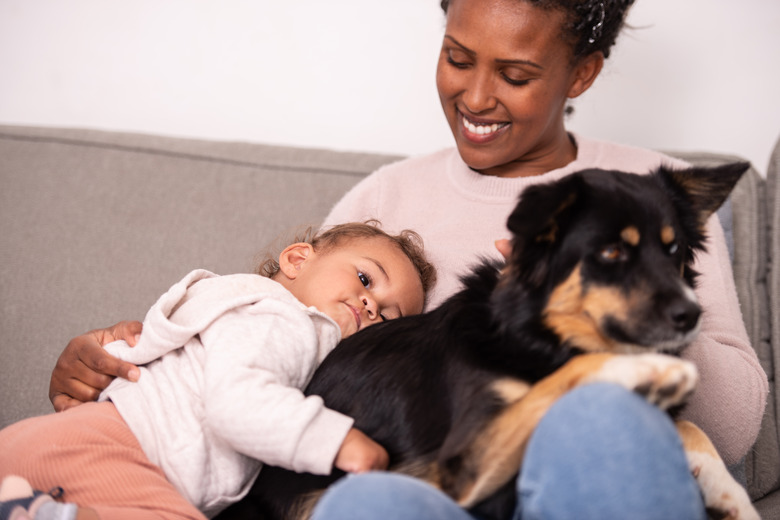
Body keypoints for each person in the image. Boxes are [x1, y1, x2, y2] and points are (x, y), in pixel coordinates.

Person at [46, 0, 768, 518]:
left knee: (603, 420)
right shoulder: (386, 195)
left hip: (581, 473)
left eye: (515, 74)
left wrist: (627, 301)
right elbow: (291, 354)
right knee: (372, 503)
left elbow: (735, 427)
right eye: (457, 58)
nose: (476, 95)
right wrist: (141, 359)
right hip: (428, 485)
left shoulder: (659, 191)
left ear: (581, 73)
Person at [0, 223, 436, 520]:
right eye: (364, 279)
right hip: (117, 452)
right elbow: (237, 404)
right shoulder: (288, 322)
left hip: (56, 443)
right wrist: (340, 441)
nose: (371, 305)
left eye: (389, 318)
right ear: (298, 259)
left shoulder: (232, 307)